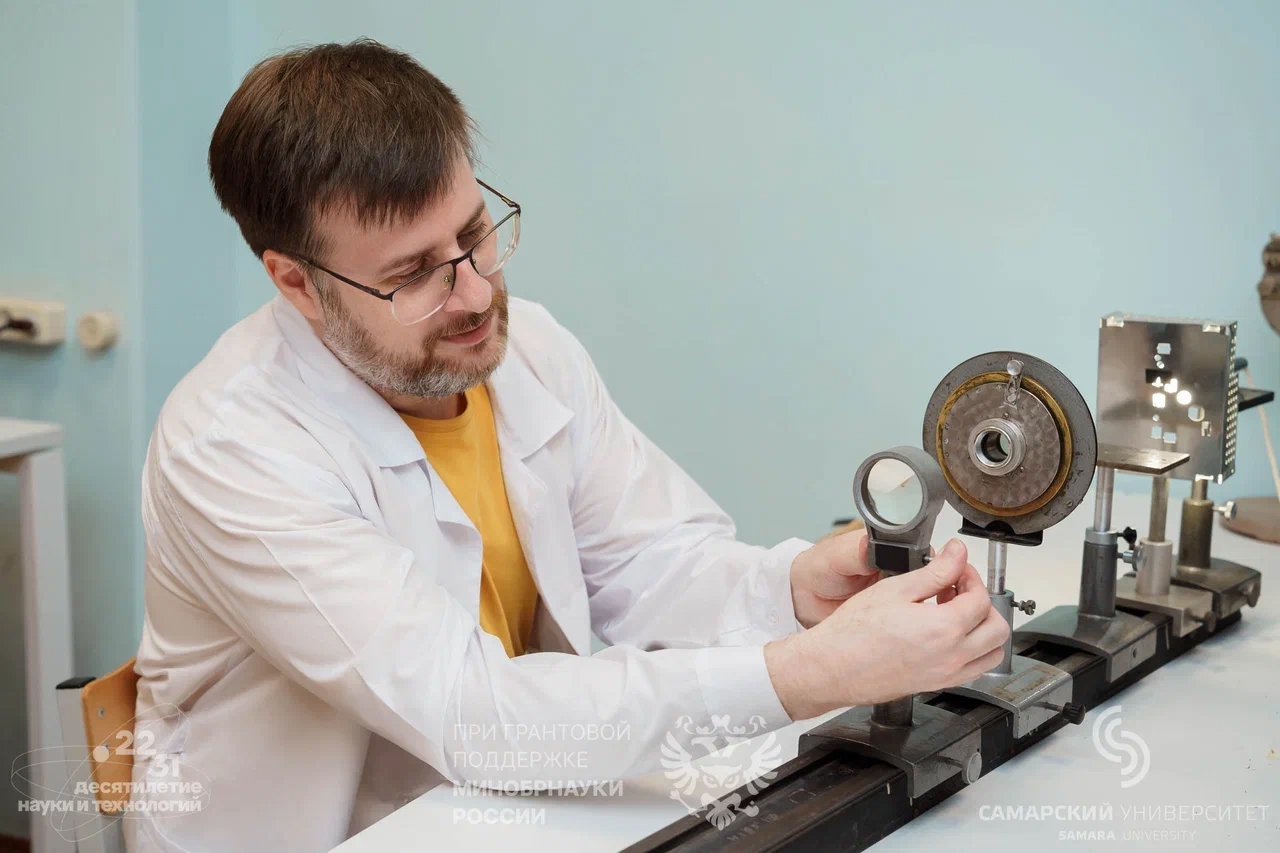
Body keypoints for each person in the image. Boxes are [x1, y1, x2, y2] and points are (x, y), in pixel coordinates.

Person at [126, 37, 1008, 852]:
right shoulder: (232, 448)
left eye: (474, 234)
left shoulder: (527, 351)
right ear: (296, 282)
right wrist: (808, 674)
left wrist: (793, 591)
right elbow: (474, 715)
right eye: (414, 274)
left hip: (502, 811)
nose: (476, 294)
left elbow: (647, 563)